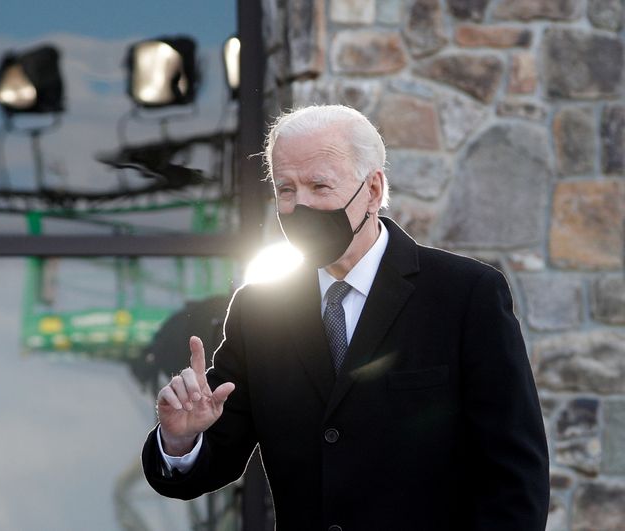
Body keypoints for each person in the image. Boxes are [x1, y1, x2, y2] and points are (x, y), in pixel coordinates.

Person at [141, 105, 550, 530]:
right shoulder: (258, 311)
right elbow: (214, 460)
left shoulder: (465, 295)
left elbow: (515, 475)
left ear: (372, 190)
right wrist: (180, 438)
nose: (300, 206)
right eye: (286, 189)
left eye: (319, 186)